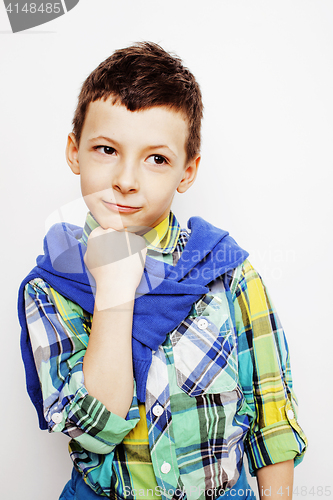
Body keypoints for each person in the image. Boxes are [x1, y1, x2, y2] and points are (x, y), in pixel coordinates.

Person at [18, 42, 307, 500]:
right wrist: (114, 287)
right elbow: (95, 429)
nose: (127, 179)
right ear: (74, 151)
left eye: (157, 159)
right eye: (106, 149)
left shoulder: (226, 269)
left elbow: (271, 414)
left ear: (187, 171)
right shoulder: (51, 287)